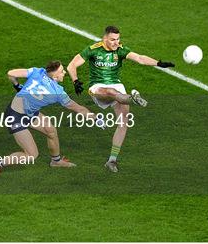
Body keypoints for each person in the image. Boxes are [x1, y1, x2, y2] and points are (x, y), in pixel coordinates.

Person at [67, 26, 175, 172]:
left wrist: (158, 63)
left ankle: (112, 160)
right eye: (112, 39)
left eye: (118, 39)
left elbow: (140, 58)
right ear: (104, 38)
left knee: (123, 123)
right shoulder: (93, 49)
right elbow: (72, 65)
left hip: (117, 86)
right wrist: (75, 81)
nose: (116, 42)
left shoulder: (121, 49)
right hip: (98, 87)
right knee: (111, 92)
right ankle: (132, 98)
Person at [0, 60, 100, 179]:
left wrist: (17, 86)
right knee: (31, 155)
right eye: (62, 71)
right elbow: (78, 108)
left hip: (25, 112)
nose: (65, 73)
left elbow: (11, 73)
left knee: (50, 130)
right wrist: (95, 118)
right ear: (55, 76)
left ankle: (56, 161)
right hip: (16, 118)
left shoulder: (38, 72)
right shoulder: (58, 92)